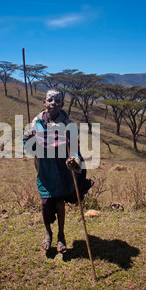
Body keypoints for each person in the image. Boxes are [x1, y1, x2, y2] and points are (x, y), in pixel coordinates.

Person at [23, 88, 93, 253]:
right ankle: (48, 233)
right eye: (50, 100)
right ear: (44, 102)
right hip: (44, 170)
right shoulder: (36, 122)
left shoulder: (68, 124)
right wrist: (29, 139)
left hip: (61, 171)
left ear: (62, 104)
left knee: (60, 203)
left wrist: (74, 161)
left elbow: (74, 148)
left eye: (57, 100)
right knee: (45, 202)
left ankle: (61, 236)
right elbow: (27, 145)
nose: (53, 103)